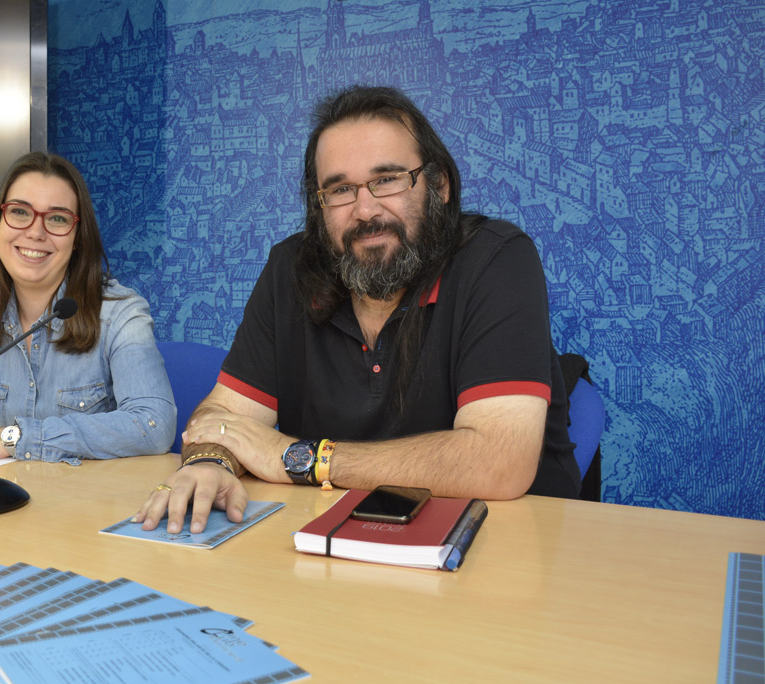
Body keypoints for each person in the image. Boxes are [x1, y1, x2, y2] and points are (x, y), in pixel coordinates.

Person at [135, 85, 580, 535]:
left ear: (439, 185)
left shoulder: (497, 259)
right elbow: (221, 419)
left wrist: (300, 458)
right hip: (328, 546)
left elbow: (498, 464)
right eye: (340, 189)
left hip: (500, 550)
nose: (365, 210)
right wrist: (213, 463)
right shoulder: (290, 268)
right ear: (319, 204)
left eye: (386, 179)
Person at [0, 152, 176, 463]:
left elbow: (154, 423)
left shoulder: (121, 314)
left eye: (57, 218)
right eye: (20, 212)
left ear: (78, 237)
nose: (36, 232)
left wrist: (15, 439)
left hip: (92, 501)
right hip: (11, 495)